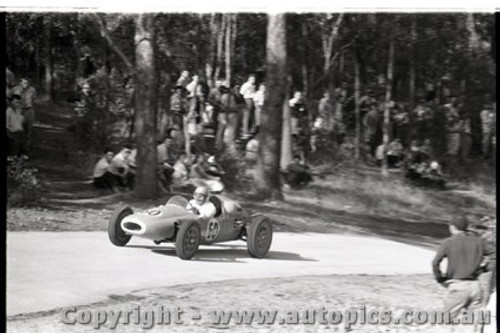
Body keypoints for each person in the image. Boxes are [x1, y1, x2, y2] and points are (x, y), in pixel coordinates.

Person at [432, 216, 493, 320]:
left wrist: (440, 279)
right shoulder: (479, 242)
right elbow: (494, 255)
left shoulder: (448, 242)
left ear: (452, 227)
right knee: (472, 323)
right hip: (475, 287)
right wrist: (485, 269)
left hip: (457, 287)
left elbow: (435, 263)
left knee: (445, 321)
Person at [12, 78, 36, 149]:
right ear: (20, 83)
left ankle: (25, 149)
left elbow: (34, 99)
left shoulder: (32, 90)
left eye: (27, 83)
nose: (26, 84)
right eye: (24, 82)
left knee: (28, 130)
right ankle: (16, 149)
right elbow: (9, 97)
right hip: (19, 111)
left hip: (29, 110)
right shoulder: (15, 89)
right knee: (18, 129)